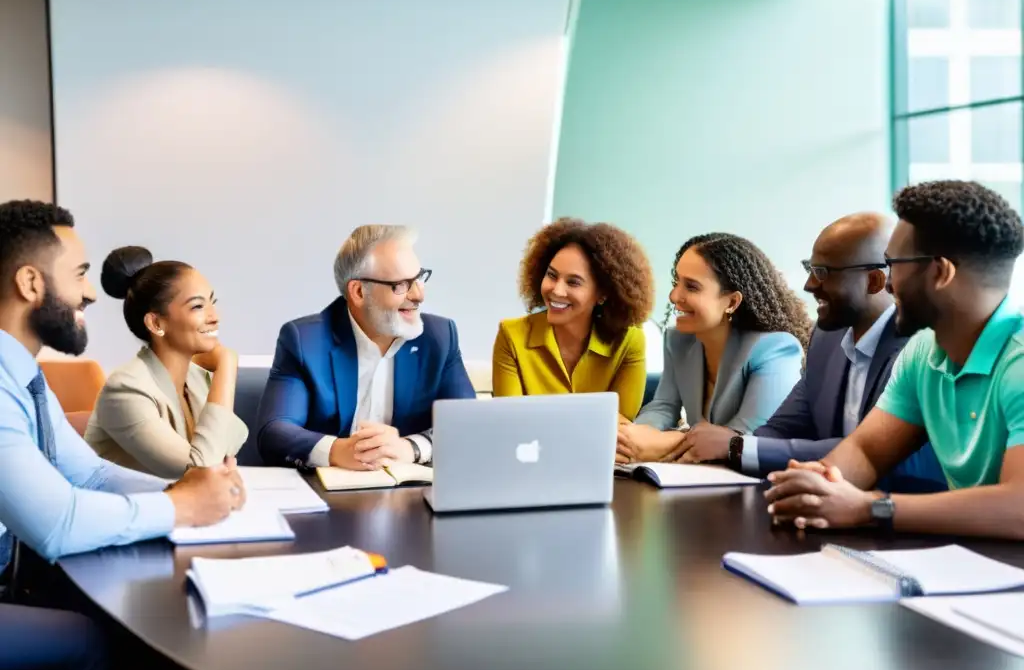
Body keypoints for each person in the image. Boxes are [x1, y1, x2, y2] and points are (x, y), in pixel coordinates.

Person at [0, 200, 245, 670]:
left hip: (20, 572)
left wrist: (191, 493)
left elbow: (88, 472)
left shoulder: (24, 375)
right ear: (31, 283)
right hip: (12, 580)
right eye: (80, 275)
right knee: (94, 638)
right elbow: (57, 523)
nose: (91, 294)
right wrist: (183, 507)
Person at [765, 181, 1024, 538]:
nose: (886, 283)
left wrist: (871, 508)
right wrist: (816, 484)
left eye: (893, 264)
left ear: (940, 272)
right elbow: (867, 452)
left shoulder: (1019, 361)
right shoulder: (922, 352)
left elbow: (1019, 507)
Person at [723, 213, 944, 491]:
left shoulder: (919, 346)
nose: (809, 285)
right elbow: (782, 428)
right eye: (810, 269)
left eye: (823, 273)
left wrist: (738, 447)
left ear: (874, 282)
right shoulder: (826, 338)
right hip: (832, 506)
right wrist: (731, 452)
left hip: (905, 512)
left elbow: (876, 451)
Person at [256, 225, 476, 470]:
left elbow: (467, 422)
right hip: (330, 493)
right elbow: (274, 432)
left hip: (410, 493)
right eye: (401, 284)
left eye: (419, 278)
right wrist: (338, 451)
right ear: (359, 292)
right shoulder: (304, 340)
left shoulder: (440, 337)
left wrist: (411, 447)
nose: (418, 295)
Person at [618, 233, 810, 464]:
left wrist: (664, 443)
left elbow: (748, 438)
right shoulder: (678, 341)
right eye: (675, 282)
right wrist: (630, 438)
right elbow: (663, 407)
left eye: (691, 286)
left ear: (731, 302)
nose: (674, 296)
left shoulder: (775, 349)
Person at [84, 247, 249, 479]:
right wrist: (227, 363)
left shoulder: (196, 378)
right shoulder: (125, 390)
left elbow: (225, 452)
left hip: (181, 509)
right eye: (198, 306)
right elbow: (201, 474)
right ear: (156, 323)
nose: (215, 316)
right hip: (125, 510)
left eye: (212, 302)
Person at [492, 218, 655, 419]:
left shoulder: (630, 341)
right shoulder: (511, 335)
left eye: (573, 282)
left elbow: (620, 428)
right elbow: (509, 421)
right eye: (551, 275)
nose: (557, 290)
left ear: (602, 294)